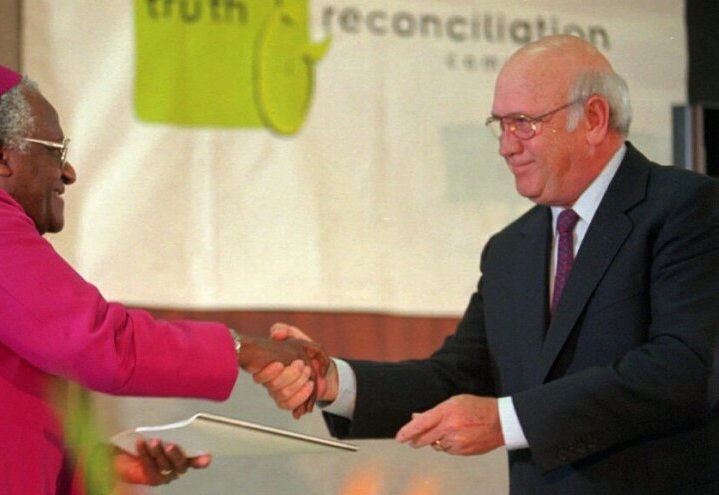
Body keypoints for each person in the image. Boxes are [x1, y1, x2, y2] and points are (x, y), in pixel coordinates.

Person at [255, 35, 719, 494]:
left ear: (594, 118)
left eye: (523, 122)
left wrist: (506, 421)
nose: (505, 146)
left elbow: (681, 370)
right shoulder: (509, 249)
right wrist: (335, 380)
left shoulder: (689, 208)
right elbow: (457, 379)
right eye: (500, 124)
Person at [0, 60, 326, 495]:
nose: (68, 171)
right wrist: (242, 349)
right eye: (55, 148)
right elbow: (94, 343)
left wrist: (102, 464)